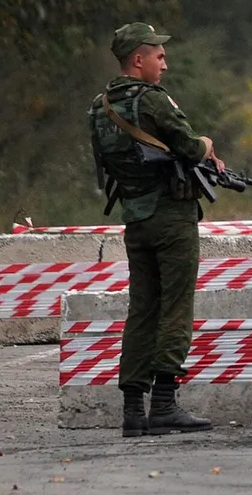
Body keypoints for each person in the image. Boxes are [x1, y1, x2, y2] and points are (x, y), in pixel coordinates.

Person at [87, 22, 216, 438]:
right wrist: (208, 145)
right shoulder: (153, 102)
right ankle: (163, 404)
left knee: (141, 311)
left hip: (135, 219)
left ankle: (132, 410)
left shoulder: (99, 106)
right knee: (176, 307)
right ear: (137, 60)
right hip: (171, 218)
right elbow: (190, 147)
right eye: (158, 56)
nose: (165, 62)